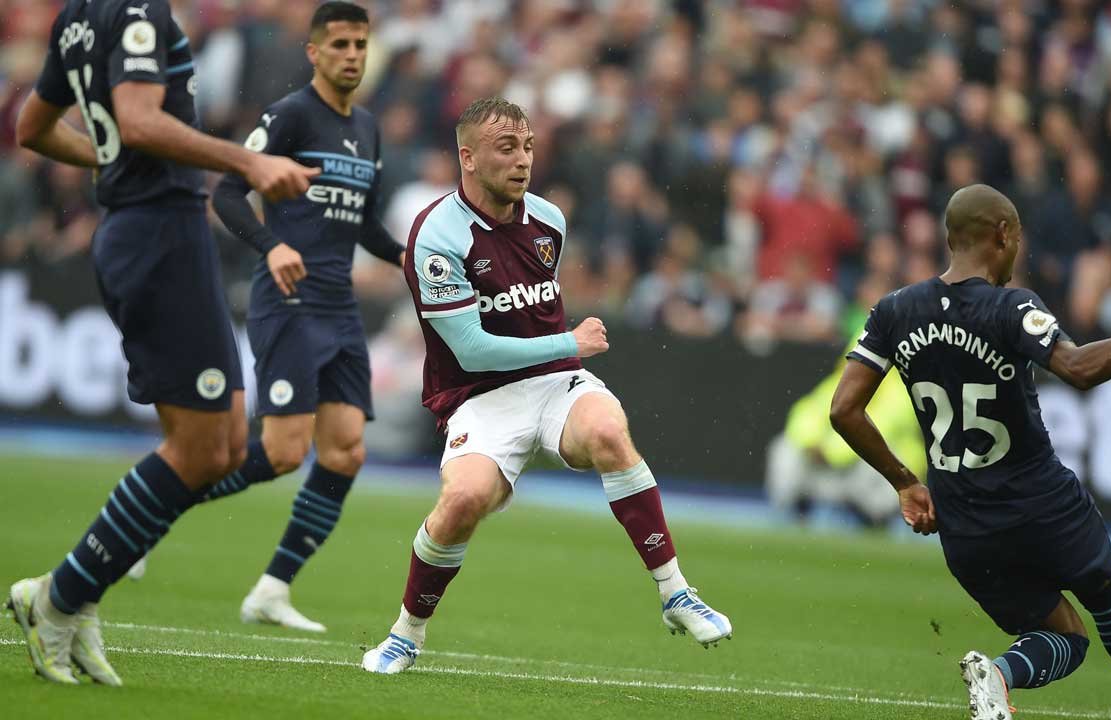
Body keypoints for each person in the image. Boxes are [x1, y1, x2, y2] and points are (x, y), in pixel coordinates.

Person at [360, 97, 732, 673]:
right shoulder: (436, 234)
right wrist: (570, 342)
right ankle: (407, 634)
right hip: (480, 397)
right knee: (462, 502)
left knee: (609, 432)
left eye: (528, 147)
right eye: (506, 149)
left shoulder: (549, 221)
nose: (523, 161)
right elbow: (472, 349)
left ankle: (675, 592)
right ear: (468, 157)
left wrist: (564, 356)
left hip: (555, 383)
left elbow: (529, 314)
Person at [6, 0, 316, 686]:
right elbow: (141, 121)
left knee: (226, 444)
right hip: (158, 237)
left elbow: (32, 126)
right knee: (202, 449)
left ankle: (77, 593)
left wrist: (106, 158)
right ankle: (58, 599)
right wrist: (247, 163)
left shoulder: (80, 17)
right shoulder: (138, 10)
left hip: (156, 232)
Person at [829, 183, 1111, 720]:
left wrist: (904, 481)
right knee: (1106, 603)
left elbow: (844, 409)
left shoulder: (896, 309)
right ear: (1003, 235)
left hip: (963, 523)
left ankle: (998, 677)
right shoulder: (1012, 308)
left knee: (1060, 634)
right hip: (1042, 504)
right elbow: (1079, 369)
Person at [127, 1, 407, 634]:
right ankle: (149, 514)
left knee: (345, 452)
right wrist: (272, 245)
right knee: (283, 451)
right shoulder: (288, 116)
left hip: (340, 308)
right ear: (314, 53)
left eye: (361, 45)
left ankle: (272, 590)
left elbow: (360, 219)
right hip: (288, 303)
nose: (353, 55)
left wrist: (405, 256)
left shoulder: (367, 126)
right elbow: (225, 191)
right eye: (339, 45)